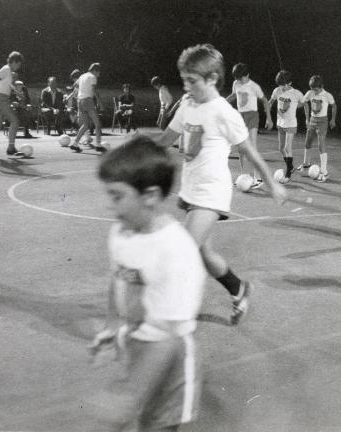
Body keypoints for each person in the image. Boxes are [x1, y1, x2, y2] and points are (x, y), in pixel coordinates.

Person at [157, 44, 287, 324]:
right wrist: (140, 153)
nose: (187, 87)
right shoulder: (188, 104)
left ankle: (174, 312)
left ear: (212, 79)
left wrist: (271, 183)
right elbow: (168, 138)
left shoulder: (224, 113)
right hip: (191, 189)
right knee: (205, 254)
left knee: (184, 250)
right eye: (184, 81)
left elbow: (250, 152)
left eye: (192, 81)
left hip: (212, 191)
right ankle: (239, 289)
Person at [89, 135, 205, 431]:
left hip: (170, 358)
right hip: (139, 344)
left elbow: (169, 338)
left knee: (157, 425)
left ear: (150, 196)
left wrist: (129, 395)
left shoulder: (176, 249)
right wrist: (112, 326)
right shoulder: (121, 233)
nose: (110, 206)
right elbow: (118, 279)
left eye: (117, 196)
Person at [226, 62, 273, 189]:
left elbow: (264, 100)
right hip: (240, 117)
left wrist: (269, 118)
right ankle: (244, 176)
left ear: (247, 75)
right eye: (237, 78)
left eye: (241, 78)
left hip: (252, 116)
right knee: (241, 148)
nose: (239, 80)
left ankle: (257, 178)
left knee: (252, 147)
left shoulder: (254, 86)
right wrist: (223, 102)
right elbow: (234, 95)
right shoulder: (236, 83)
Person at [297, 75, 337, 183]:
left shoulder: (327, 95)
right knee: (307, 143)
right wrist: (307, 118)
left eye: (316, 89)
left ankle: (324, 172)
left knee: (321, 145)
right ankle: (306, 164)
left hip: (322, 121)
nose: (314, 91)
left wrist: (333, 120)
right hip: (312, 120)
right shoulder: (310, 93)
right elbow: (303, 103)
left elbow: (334, 106)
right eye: (312, 89)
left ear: (321, 86)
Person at [268, 69, 304, 184]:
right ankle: (291, 167)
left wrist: (296, 106)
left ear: (290, 83)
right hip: (280, 124)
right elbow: (270, 102)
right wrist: (268, 117)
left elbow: (303, 102)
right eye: (280, 85)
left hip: (291, 124)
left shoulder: (296, 93)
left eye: (283, 86)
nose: (281, 88)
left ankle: (288, 175)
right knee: (281, 149)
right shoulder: (277, 90)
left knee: (288, 148)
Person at [69, 63, 105, 153]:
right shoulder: (93, 77)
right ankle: (98, 145)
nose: (99, 75)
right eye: (99, 72)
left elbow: (75, 85)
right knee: (97, 123)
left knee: (85, 125)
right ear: (95, 71)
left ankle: (75, 144)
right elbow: (93, 90)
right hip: (88, 101)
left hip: (80, 101)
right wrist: (100, 103)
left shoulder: (82, 76)